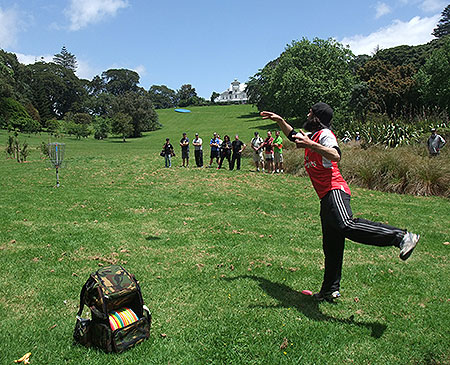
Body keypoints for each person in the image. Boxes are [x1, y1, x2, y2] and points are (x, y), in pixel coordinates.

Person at [261, 102, 420, 302]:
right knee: (332, 245)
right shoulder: (313, 136)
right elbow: (293, 135)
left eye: (310, 112)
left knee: (346, 224)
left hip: (334, 189)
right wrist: (280, 120)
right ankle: (329, 289)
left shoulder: (325, 135)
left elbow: (336, 155)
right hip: (325, 197)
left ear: (316, 116)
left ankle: (402, 237)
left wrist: (310, 145)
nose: (307, 114)